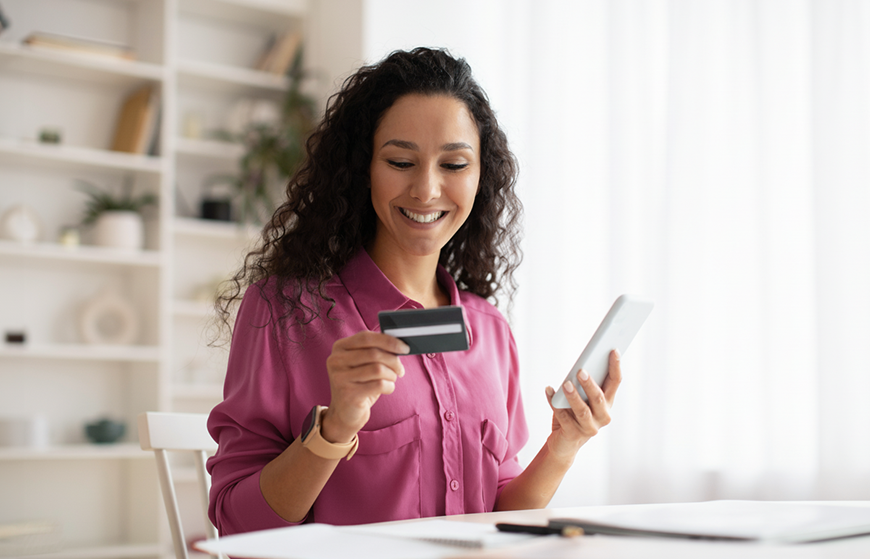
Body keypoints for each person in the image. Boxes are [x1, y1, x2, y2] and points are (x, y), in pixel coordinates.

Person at [206, 47, 621, 534]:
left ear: (481, 177)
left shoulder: (490, 330)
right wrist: (334, 428)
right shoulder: (287, 312)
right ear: (363, 168)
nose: (426, 190)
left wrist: (563, 446)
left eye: (454, 164)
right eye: (401, 161)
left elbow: (498, 516)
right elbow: (236, 521)